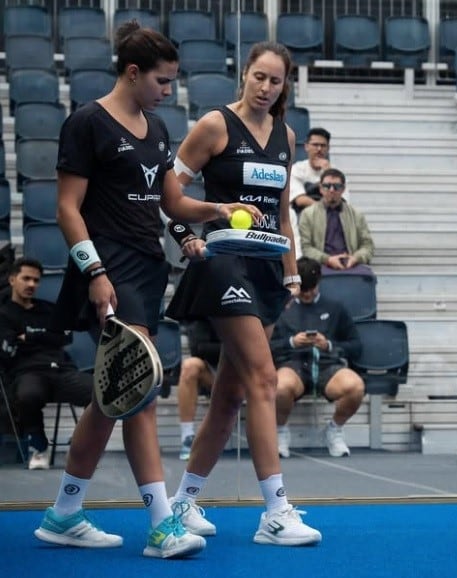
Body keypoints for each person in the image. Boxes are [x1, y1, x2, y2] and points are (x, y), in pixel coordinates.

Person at [34, 21, 259, 559]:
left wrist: (219, 211)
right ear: (132, 72)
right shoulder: (86, 123)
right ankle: (161, 524)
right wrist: (94, 273)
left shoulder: (158, 130)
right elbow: (66, 209)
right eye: (161, 80)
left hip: (147, 269)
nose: (168, 90)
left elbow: (172, 204)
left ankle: (63, 513)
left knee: (110, 397)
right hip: (106, 270)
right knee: (136, 392)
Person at [164, 41, 322, 546]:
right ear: (245, 75)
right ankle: (275, 511)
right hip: (223, 262)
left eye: (275, 81)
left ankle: (183, 502)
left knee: (230, 395)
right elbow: (168, 194)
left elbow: (281, 216)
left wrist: (292, 273)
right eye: (259, 77)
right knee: (263, 378)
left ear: (284, 86)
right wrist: (187, 234)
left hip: (267, 272)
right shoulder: (214, 125)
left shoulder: (286, 136)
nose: (266, 87)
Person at [0, 258, 92, 470]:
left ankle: (79, 445)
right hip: (27, 372)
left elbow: (65, 337)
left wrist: (29, 336)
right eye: (26, 279)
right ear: (12, 279)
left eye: (36, 280)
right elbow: (7, 346)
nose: (32, 284)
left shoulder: (49, 310)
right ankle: (39, 447)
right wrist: (47, 334)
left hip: (60, 370)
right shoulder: (4, 314)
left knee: (100, 395)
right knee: (26, 396)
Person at [271, 257, 364, 458]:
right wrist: (291, 342)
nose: (307, 294)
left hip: (327, 364)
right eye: (303, 290)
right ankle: (280, 431)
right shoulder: (281, 308)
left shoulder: (335, 308)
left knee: (355, 386)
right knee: (280, 386)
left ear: (319, 282)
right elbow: (266, 347)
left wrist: (328, 345)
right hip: (292, 364)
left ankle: (334, 429)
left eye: (311, 288)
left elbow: (356, 346)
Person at [299, 168, 375, 276]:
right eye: (327, 186)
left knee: (367, 278)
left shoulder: (356, 215)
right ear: (320, 188)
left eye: (336, 186)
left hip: (351, 264)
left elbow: (368, 246)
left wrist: (356, 258)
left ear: (343, 189)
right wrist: (327, 259)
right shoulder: (308, 215)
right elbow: (305, 248)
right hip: (320, 265)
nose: (331, 190)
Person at [177, 319, 220, 461]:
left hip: (242, 376)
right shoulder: (203, 308)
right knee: (190, 366)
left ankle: (270, 438)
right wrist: (231, 346)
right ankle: (187, 437)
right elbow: (198, 348)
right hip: (214, 375)